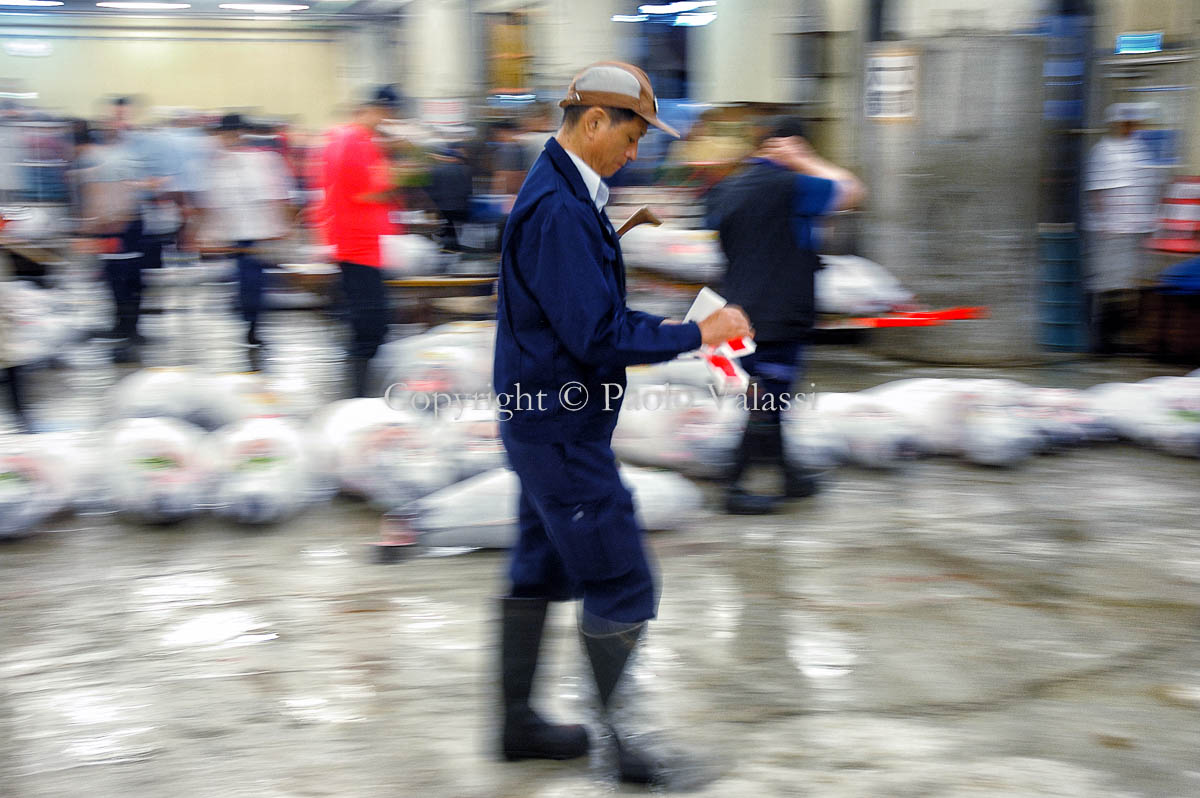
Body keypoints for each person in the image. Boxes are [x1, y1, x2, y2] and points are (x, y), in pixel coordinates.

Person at [493, 60, 751, 787]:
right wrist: (695, 333)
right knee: (623, 578)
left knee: (539, 566)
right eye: (631, 137)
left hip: (542, 418)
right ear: (595, 121)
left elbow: (567, 298)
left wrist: (616, 232)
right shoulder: (560, 209)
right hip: (561, 429)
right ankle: (625, 750)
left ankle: (516, 725)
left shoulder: (566, 193)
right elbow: (597, 336)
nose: (635, 153)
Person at [705, 116, 864, 514]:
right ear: (792, 146)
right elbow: (853, 191)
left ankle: (788, 474)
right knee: (767, 400)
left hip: (736, 310)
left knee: (766, 397)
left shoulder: (727, 187)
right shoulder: (796, 185)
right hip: (780, 316)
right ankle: (736, 487)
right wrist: (806, 160)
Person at [321, 85, 403, 396]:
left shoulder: (351, 139)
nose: (388, 120)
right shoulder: (354, 141)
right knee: (370, 323)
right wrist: (401, 176)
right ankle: (359, 393)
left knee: (368, 319)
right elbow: (365, 191)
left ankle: (360, 386)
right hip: (358, 243)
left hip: (359, 241)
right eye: (387, 113)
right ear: (374, 109)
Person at [195, 113, 292, 360]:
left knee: (253, 282)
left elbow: (276, 193)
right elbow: (212, 198)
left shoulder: (260, 159)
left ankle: (252, 326)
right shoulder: (217, 161)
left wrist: (280, 225)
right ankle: (249, 323)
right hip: (237, 234)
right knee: (246, 281)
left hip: (255, 233)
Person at [1083, 102, 1162, 355]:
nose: (1131, 128)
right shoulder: (1103, 150)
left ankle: (1118, 338)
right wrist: (1103, 221)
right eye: (1127, 123)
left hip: (1134, 227)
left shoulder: (1139, 149)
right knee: (1106, 283)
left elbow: (1147, 187)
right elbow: (1096, 190)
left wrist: (1150, 222)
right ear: (1116, 124)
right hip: (1110, 229)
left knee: (1126, 283)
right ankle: (1102, 342)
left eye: (1134, 123)